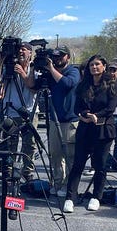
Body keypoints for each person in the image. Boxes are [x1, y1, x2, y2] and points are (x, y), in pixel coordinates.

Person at [63, 55, 117, 212]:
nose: (94, 67)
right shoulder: (83, 85)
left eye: (97, 64)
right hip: (85, 129)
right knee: (78, 164)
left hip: (103, 130)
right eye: (91, 65)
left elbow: (111, 107)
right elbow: (77, 106)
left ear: (104, 66)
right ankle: (70, 197)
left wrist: (97, 116)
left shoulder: (112, 85)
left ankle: (96, 197)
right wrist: (84, 114)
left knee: (100, 165)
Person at [32, 45, 81, 197]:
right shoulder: (49, 74)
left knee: (70, 155)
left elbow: (67, 84)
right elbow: (34, 86)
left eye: (61, 56)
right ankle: (57, 182)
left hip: (70, 120)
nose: (57, 59)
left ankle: (69, 185)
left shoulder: (73, 71)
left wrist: (51, 69)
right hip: (54, 119)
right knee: (55, 154)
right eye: (55, 56)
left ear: (68, 57)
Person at [0, 42, 38, 182]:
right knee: (10, 144)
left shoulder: (34, 68)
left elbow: (33, 88)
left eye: (25, 50)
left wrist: (23, 74)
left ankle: (27, 172)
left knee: (29, 144)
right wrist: (2, 60)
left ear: (30, 53)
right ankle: (8, 171)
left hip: (28, 112)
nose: (21, 52)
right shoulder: (9, 67)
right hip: (10, 113)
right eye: (20, 50)